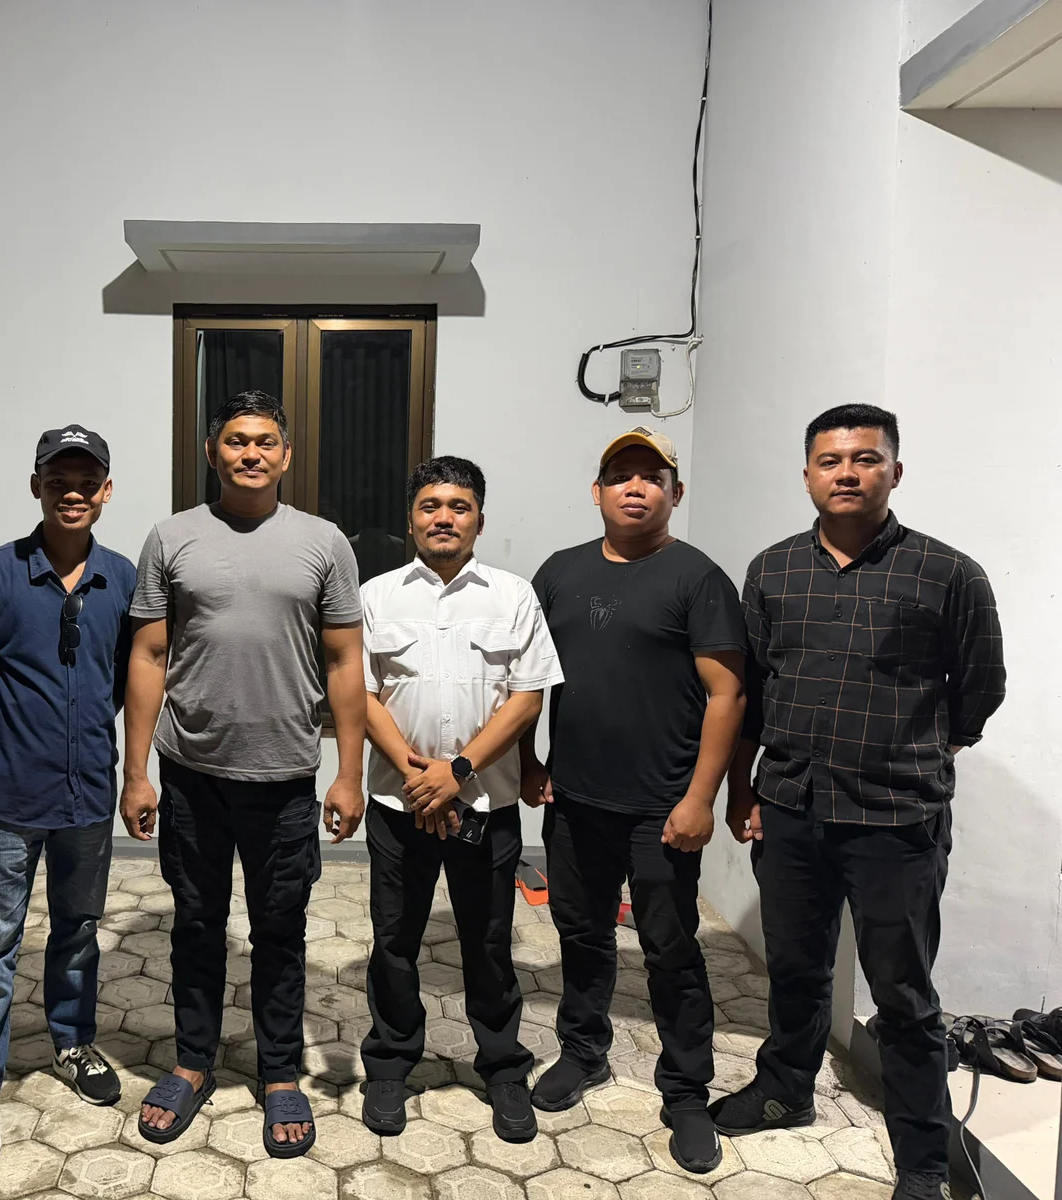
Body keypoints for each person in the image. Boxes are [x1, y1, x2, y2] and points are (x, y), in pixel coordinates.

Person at [712, 405, 1005, 1200]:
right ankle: (785, 1089)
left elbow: (981, 688)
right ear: (808, 474)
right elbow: (755, 692)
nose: (847, 473)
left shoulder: (948, 574)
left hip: (897, 819)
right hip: (792, 806)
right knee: (795, 968)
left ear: (895, 472)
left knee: (903, 995)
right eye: (830, 460)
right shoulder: (773, 570)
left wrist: (924, 751)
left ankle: (923, 1160)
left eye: (865, 459)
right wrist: (744, 790)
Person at [120, 390, 365, 1159]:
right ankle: (193, 1062)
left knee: (280, 930)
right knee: (196, 924)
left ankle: (280, 1071)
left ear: (286, 455)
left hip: (284, 775)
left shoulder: (324, 542)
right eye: (235, 440)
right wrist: (135, 773)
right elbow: (148, 654)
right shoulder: (172, 537)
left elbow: (345, 662)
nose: (250, 453)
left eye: (264, 441)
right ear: (212, 451)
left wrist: (349, 773)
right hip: (191, 772)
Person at [522, 427, 746, 1175]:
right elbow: (528, 679)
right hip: (575, 799)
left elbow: (727, 695)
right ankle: (584, 1051)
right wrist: (530, 760)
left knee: (670, 948)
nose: (636, 488)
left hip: (663, 807)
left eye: (653, 477)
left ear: (676, 494)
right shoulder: (559, 572)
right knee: (581, 934)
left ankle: (685, 1089)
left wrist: (701, 798)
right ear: (597, 492)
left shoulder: (699, 578)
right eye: (621, 475)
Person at [0, 425, 136, 1165]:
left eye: (87, 481)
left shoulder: (121, 578)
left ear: (106, 491)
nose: (72, 493)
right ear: (36, 487)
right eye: (58, 480)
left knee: (78, 929)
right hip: (6, 800)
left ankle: (73, 1042)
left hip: (88, 795)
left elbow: (128, 678)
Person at [359, 456, 563, 1142]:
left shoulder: (513, 596)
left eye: (458, 506)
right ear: (410, 518)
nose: (443, 518)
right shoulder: (377, 596)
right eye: (430, 506)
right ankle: (390, 1065)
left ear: (479, 518)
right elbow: (360, 692)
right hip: (400, 805)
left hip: (487, 806)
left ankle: (503, 1068)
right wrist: (418, 774)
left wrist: (460, 771)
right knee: (394, 942)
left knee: (490, 942)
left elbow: (527, 697)